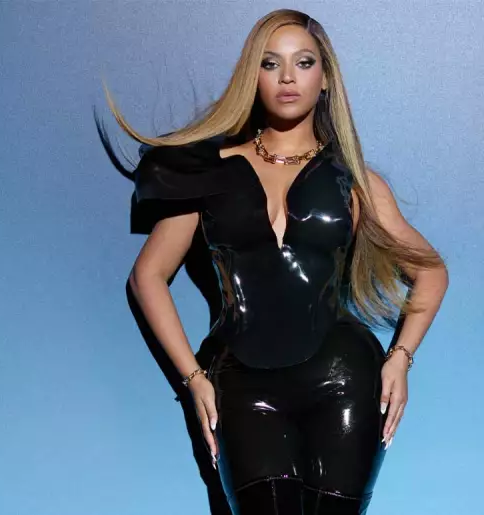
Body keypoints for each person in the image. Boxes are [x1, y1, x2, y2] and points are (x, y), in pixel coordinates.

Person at [96, 8, 449, 515]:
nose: (287, 77)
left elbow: (430, 270)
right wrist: (193, 379)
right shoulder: (208, 173)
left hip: (345, 378)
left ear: (325, 79)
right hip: (241, 384)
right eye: (270, 63)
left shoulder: (355, 181)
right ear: (253, 77)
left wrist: (401, 358)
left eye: (304, 63)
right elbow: (147, 277)